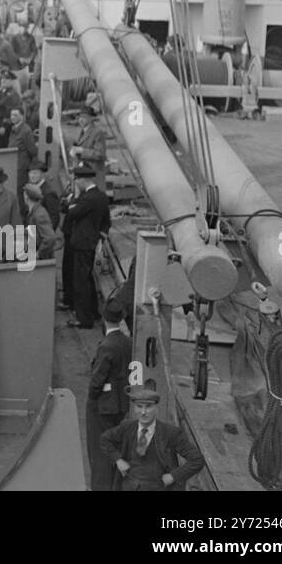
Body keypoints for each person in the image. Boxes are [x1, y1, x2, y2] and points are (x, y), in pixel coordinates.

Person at [100, 382, 205, 491]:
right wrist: (118, 459)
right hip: (129, 486)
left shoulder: (171, 433)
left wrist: (173, 476)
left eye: (148, 407)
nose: (143, 412)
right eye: (139, 407)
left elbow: (197, 460)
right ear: (134, 409)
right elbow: (105, 439)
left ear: (156, 409)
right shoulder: (127, 427)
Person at [86, 301, 132, 491]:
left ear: (104, 318)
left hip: (103, 406)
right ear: (121, 318)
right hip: (121, 404)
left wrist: (92, 395)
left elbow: (97, 380)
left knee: (99, 451)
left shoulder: (107, 345)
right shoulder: (128, 342)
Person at [60, 164, 109, 329]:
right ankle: (93, 312)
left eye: (76, 180)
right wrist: (100, 238)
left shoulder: (87, 198)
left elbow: (71, 213)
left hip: (82, 244)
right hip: (90, 242)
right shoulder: (101, 196)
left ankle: (84, 319)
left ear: (82, 180)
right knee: (88, 279)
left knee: (80, 282)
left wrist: (73, 199)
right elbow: (106, 222)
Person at [7, 107, 38, 216]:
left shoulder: (26, 130)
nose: (13, 117)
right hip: (14, 165)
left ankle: (23, 218)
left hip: (21, 166)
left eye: (15, 115)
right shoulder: (14, 129)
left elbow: (32, 150)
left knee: (20, 193)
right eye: (11, 115)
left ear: (22, 116)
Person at [70, 103, 108, 183]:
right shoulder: (80, 132)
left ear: (91, 118)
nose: (81, 119)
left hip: (93, 174)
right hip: (81, 173)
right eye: (79, 117)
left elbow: (100, 154)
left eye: (84, 117)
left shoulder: (97, 132)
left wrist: (82, 151)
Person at [0, 70, 22, 148]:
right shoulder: (2, 91)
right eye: (2, 78)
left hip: (2, 124)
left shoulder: (12, 94)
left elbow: (10, 112)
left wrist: (4, 125)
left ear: (12, 81)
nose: (3, 80)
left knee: (1, 146)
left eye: (7, 79)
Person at [22, 183, 56, 259]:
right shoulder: (34, 212)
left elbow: (50, 238)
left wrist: (39, 254)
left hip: (42, 262)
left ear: (26, 196)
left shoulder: (39, 214)